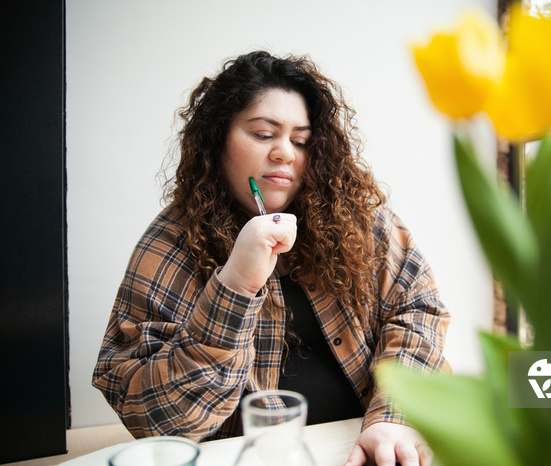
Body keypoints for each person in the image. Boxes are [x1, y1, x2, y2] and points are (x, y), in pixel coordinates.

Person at [93, 50, 451, 466]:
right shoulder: (171, 242)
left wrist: (393, 416)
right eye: (264, 134)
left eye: (300, 141)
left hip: (366, 445)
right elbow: (159, 421)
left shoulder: (361, 220)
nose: (285, 153)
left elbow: (418, 311)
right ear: (217, 140)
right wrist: (235, 285)